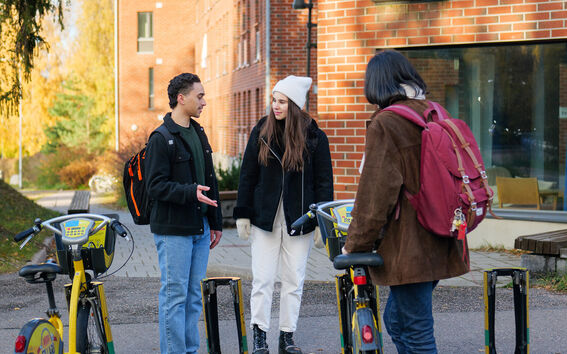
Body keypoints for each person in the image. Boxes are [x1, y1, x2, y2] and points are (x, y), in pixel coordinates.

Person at [343, 50, 469, 353]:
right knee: (398, 321)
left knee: (416, 330)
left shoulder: (388, 123)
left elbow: (375, 196)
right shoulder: (434, 111)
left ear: (376, 85)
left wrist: (355, 245)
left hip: (411, 247)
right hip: (442, 236)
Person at [233, 75, 333, 354]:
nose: (275, 106)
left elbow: (324, 182)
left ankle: (287, 336)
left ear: (295, 105)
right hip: (265, 219)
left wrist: (321, 224)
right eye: (274, 100)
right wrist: (242, 214)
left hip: (300, 220)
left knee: (294, 280)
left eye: (282, 101)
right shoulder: (261, 132)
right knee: (263, 279)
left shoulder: (315, 138)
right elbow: (247, 175)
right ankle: (260, 335)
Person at [145, 73, 223, 354]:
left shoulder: (199, 132)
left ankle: (190, 350)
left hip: (200, 227)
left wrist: (216, 223)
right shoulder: (161, 137)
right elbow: (155, 186)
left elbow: (209, 179)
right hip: (173, 229)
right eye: (199, 96)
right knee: (174, 296)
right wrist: (189, 192)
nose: (204, 101)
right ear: (182, 98)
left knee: (192, 298)